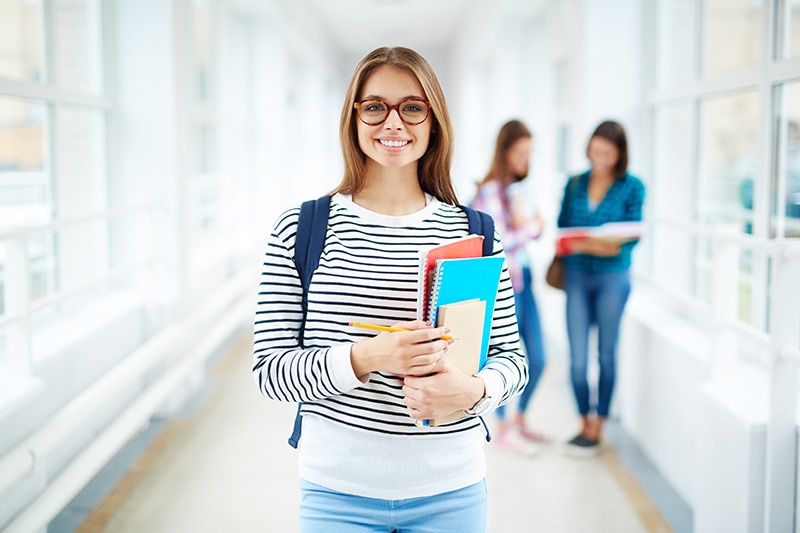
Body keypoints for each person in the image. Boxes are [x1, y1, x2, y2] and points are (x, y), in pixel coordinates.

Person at [252, 46, 528, 533]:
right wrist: (369, 357)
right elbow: (269, 372)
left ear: (434, 120)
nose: (393, 123)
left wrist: (472, 390)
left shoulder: (476, 233)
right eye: (375, 106)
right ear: (354, 117)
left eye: (413, 107)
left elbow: (512, 359)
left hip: (452, 490)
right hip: (337, 492)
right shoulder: (302, 228)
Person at [556, 120, 645, 456]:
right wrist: (597, 243)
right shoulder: (575, 183)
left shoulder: (632, 186)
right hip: (576, 278)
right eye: (595, 151)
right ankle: (583, 421)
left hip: (613, 279)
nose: (599, 158)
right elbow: (563, 231)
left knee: (606, 355)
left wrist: (587, 243)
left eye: (607, 153)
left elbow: (626, 242)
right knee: (577, 360)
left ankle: (599, 422)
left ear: (620, 154)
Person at [470, 120, 548, 454]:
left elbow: (536, 225)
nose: (524, 160)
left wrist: (532, 225)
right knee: (500, 356)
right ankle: (500, 424)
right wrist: (531, 228)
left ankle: (520, 419)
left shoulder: (519, 188)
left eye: (529, 153)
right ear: (504, 152)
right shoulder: (487, 193)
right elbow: (498, 243)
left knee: (540, 358)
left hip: (525, 279)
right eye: (519, 152)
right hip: (503, 284)